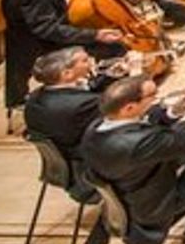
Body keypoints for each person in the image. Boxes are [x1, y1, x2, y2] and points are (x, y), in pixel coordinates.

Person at [80, 74, 185, 244]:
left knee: (181, 130)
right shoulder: (138, 142)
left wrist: (179, 107)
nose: (158, 97)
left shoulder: (97, 126)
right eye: (151, 95)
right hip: (154, 204)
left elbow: (148, 121)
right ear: (129, 108)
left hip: (129, 183)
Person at [1, 0, 124, 109]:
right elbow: (48, 29)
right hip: (41, 45)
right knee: (113, 47)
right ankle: (104, 99)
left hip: (33, 38)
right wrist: (94, 34)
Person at [23, 46, 117, 198]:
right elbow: (116, 118)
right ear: (67, 74)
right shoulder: (83, 104)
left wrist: (112, 75)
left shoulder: (34, 97)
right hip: (86, 170)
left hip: (59, 166)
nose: (91, 62)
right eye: (85, 61)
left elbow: (83, 91)